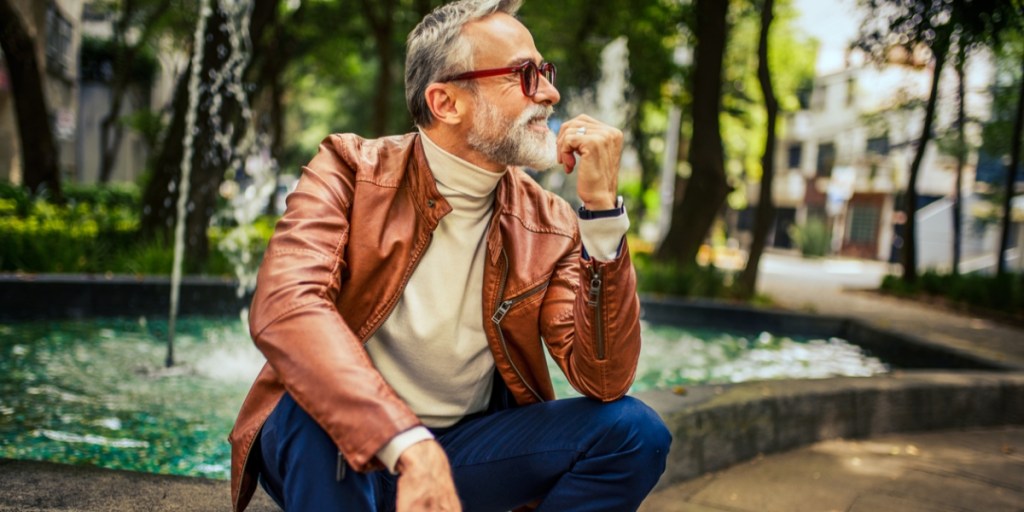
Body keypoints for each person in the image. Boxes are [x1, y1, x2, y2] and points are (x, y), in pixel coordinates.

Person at [228, 0, 671, 510]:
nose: (551, 93)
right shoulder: (350, 169)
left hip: (463, 454)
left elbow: (604, 378)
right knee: (309, 407)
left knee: (633, 431)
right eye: (525, 75)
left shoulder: (551, 222)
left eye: (544, 72)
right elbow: (287, 308)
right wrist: (407, 444)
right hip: (339, 443)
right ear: (446, 102)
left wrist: (600, 215)